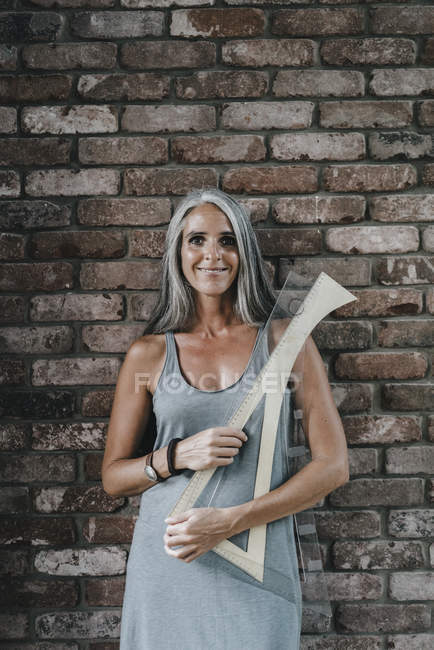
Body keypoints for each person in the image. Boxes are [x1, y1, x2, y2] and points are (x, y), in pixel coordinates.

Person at [102, 188, 349, 649]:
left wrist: (232, 520)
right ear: (178, 252)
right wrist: (176, 455)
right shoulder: (149, 354)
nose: (212, 255)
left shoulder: (285, 342)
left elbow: (333, 466)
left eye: (228, 241)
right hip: (173, 564)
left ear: (245, 254)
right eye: (197, 240)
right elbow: (114, 479)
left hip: (257, 567)